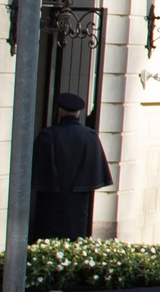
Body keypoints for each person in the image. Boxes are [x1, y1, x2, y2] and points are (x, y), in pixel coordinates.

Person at [29, 91, 111, 240]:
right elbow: (95, 171)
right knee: (75, 239)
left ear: (59, 112)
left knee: (47, 241)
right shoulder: (89, 136)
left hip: (50, 201)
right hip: (78, 203)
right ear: (78, 114)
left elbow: (36, 170)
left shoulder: (47, 135)